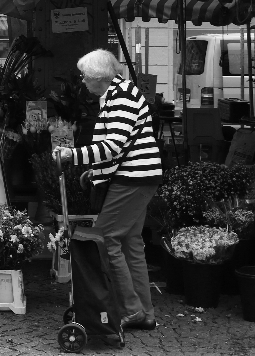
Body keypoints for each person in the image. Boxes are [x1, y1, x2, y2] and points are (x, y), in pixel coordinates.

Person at [57, 49, 162, 332]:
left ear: (96, 77)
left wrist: (72, 155)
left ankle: (132, 310)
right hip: (138, 176)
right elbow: (122, 145)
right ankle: (145, 311)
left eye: (84, 75)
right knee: (131, 243)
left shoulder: (121, 97)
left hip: (133, 178)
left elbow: (114, 145)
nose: (82, 80)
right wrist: (98, 171)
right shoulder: (117, 93)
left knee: (106, 238)